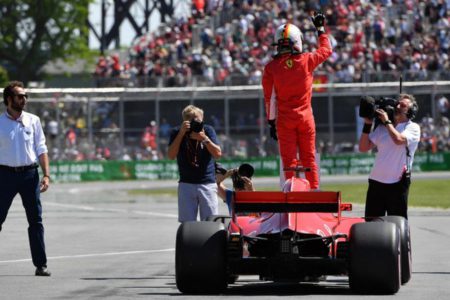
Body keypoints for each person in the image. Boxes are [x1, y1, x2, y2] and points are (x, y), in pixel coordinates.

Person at [262, 12, 332, 190]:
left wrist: (271, 122)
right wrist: (320, 29)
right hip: (306, 117)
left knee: (289, 160)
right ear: (297, 41)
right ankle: (314, 191)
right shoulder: (307, 60)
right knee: (309, 157)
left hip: (285, 120)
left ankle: (290, 193)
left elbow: (269, 98)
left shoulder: (271, 68)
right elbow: (326, 50)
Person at [0, 81, 51, 276]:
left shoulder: (33, 120)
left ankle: (41, 265)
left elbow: (41, 148)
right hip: (4, 175)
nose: (24, 99)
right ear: (9, 99)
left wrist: (46, 174)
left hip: (30, 175)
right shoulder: (0, 122)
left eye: (25, 96)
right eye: (20, 96)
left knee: (36, 221)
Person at [359, 94, 421, 219]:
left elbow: (398, 139)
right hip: (376, 182)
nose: (397, 106)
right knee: (372, 225)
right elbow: (363, 148)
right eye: (397, 103)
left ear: (411, 111)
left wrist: (387, 121)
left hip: (398, 183)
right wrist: (367, 124)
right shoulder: (382, 127)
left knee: (397, 223)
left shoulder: (412, 127)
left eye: (403, 105)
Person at [168, 105, 222, 222]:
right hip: (186, 183)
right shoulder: (177, 132)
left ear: (202, 119)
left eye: (198, 120)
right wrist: (181, 133)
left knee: (211, 222)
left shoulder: (207, 130)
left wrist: (204, 139)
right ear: (185, 121)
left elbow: (218, 154)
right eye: (191, 120)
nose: (195, 123)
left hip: (207, 182)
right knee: (187, 223)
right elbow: (171, 155)